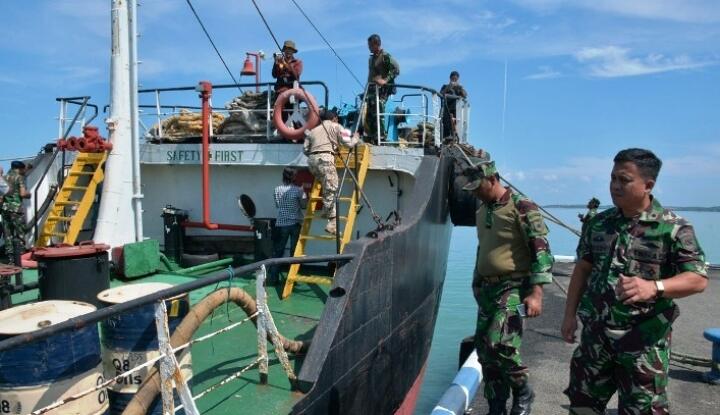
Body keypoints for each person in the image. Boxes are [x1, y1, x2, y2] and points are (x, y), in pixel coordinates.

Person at [561, 148, 708, 415]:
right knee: (582, 407)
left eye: (624, 180)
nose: (615, 186)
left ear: (648, 185)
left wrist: (655, 287)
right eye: (612, 178)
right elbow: (583, 269)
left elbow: (697, 279)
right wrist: (569, 315)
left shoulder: (673, 227)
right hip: (596, 340)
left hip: (642, 345)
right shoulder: (599, 224)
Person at [462, 160, 553, 415]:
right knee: (484, 352)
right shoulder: (483, 209)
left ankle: (523, 390)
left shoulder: (522, 207)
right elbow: (485, 248)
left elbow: (541, 250)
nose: (476, 193)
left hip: (514, 286)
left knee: (500, 344)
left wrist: (537, 293)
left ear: (493, 179)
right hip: (488, 290)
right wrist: (477, 282)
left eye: (479, 187)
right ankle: (496, 405)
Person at [304, 109, 357, 235]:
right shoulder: (337, 126)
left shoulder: (313, 131)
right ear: (334, 118)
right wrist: (355, 138)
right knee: (332, 187)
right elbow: (349, 143)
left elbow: (305, 149)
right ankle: (331, 220)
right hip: (325, 159)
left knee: (327, 185)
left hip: (312, 162)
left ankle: (327, 213)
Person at [269, 167, 307, 285]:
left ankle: (274, 277)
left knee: (278, 251)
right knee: (294, 252)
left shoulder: (277, 189)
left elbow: (277, 205)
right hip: (295, 223)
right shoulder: (299, 190)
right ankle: (292, 278)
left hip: (281, 224)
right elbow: (304, 206)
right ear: (294, 177)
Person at [364, 34, 400, 143]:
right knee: (369, 112)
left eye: (370, 45)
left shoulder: (385, 56)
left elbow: (396, 70)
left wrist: (385, 80)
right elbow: (370, 75)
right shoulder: (371, 59)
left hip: (383, 89)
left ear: (376, 44)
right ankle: (371, 135)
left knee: (379, 107)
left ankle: (381, 136)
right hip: (371, 89)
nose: (369, 47)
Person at [1, 161, 30, 267]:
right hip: (16, 209)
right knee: (20, 233)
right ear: (20, 169)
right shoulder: (19, 177)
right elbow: (23, 193)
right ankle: (21, 258)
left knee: (8, 234)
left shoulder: (4, 177)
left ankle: (11, 259)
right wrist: (29, 194)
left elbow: (1, 196)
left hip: (5, 210)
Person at [272, 40, 304, 125]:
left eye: (290, 49)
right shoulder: (279, 62)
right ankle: (284, 137)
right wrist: (276, 63)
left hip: (293, 92)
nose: (288, 51)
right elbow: (274, 75)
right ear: (284, 50)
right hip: (280, 92)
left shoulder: (297, 62)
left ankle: (300, 135)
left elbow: (296, 75)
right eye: (286, 49)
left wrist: (286, 65)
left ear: (293, 51)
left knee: (296, 118)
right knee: (282, 118)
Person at [439, 71, 468, 138]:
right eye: (453, 79)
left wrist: (461, 88)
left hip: (456, 109)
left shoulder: (458, 88)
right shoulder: (445, 86)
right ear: (450, 78)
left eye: (456, 79)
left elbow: (465, 95)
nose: (454, 80)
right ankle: (446, 135)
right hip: (446, 108)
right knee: (445, 120)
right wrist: (448, 87)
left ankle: (455, 135)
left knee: (456, 122)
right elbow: (441, 93)